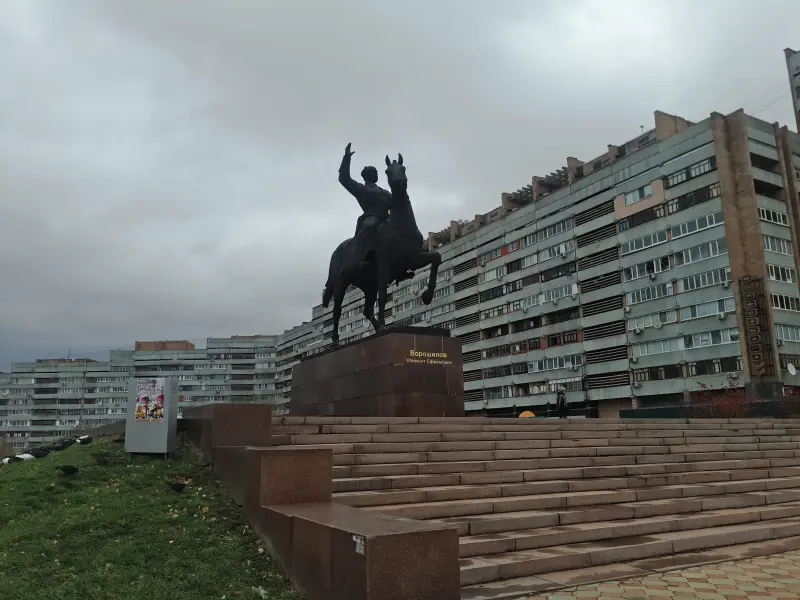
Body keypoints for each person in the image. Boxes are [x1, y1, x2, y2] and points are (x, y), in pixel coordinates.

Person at [338, 143, 413, 283]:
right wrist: (346, 158)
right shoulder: (361, 189)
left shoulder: (384, 191)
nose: (377, 174)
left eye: (377, 172)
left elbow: (395, 204)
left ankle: (402, 265)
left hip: (387, 220)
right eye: (375, 172)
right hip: (371, 217)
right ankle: (363, 257)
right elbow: (344, 179)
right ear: (368, 175)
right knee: (370, 226)